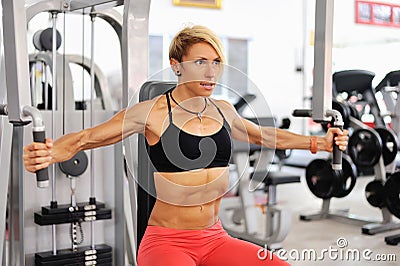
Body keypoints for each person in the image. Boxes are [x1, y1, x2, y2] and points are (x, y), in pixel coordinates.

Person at [24, 25, 348, 266]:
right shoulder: (151, 112)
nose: (211, 72)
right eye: (200, 62)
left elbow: (264, 136)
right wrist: (53, 151)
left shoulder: (223, 109)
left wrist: (318, 142)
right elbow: (91, 136)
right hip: (167, 242)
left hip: (215, 237)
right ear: (177, 64)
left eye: (216, 62)